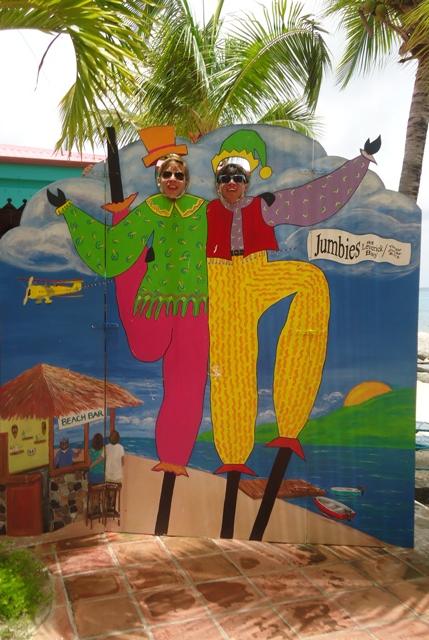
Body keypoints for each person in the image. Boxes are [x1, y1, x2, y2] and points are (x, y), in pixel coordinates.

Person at [206, 137, 380, 539]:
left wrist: (361, 161)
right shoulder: (202, 212)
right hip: (220, 282)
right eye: (225, 178)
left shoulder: (264, 204)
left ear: (247, 183)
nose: (231, 183)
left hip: (256, 272)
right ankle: (233, 453)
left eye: (238, 177)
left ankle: (291, 415)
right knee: (230, 365)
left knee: (311, 280)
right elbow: (168, 233)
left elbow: (314, 200)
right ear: (217, 184)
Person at [47, 127, 209, 535]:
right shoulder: (150, 209)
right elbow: (115, 248)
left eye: (179, 174)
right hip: (155, 303)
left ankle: (174, 459)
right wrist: (71, 211)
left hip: (195, 307)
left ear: (187, 179)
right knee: (146, 347)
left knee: (189, 384)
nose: (172, 179)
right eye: (166, 173)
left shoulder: (204, 210)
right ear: (158, 178)